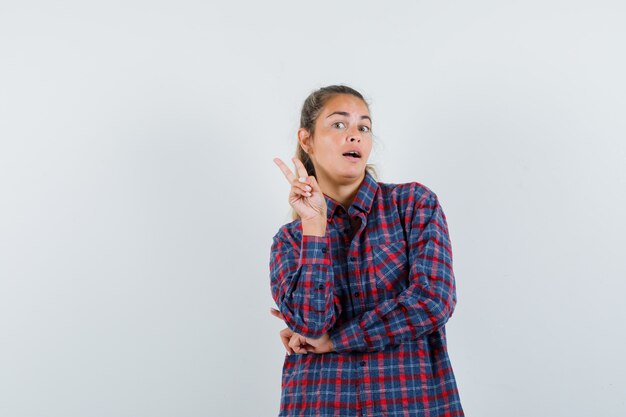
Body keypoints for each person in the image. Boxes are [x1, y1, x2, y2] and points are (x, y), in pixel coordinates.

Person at [269, 85, 464, 417]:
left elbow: (433, 300)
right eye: (339, 124)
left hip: (410, 404)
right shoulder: (290, 240)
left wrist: (338, 340)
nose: (355, 136)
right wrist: (314, 225)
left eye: (364, 127)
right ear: (307, 140)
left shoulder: (413, 205)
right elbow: (312, 325)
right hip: (321, 404)